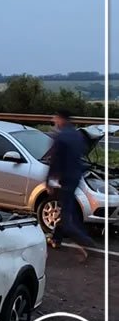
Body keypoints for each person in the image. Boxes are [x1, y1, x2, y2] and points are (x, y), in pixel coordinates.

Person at [45, 108, 96, 261]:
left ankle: (88, 244)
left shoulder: (61, 137)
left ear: (61, 118)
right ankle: (56, 239)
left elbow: (54, 161)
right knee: (67, 209)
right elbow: (82, 153)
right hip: (76, 177)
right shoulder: (77, 134)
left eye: (55, 118)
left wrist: (47, 180)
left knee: (68, 219)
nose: (54, 121)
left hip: (66, 179)